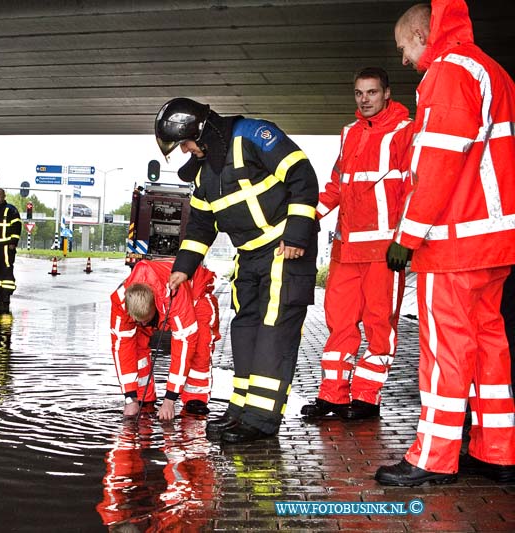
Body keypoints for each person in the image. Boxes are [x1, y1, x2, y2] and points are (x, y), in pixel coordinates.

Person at [376, 0, 515, 486]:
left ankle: (432, 459)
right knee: (489, 347)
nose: (404, 59)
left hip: (454, 245)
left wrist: (407, 236)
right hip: (493, 243)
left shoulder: (447, 71)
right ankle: (498, 451)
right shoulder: (493, 71)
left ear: (421, 33)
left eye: (403, 47)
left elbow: (437, 162)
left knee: (447, 351)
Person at [156, 97, 320, 443]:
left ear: (198, 132)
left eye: (184, 142)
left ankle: (261, 420)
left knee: (274, 330)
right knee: (244, 330)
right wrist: (182, 269)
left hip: (284, 248)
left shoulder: (251, 136)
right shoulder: (205, 170)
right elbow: (200, 226)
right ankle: (241, 409)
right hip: (248, 255)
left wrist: (296, 235)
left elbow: (301, 174)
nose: (185, 150)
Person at [300, 67, 413, 421]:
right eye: (359, 93)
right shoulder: (348, 133)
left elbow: (414, 187)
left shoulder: (406, 131)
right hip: (346, 251)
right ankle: (332, 397)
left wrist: (405, 238)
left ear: (387, 93)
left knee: (380, 325)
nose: (364, 100)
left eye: (372, 93)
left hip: (384, 252)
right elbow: (337, 185)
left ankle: (366, 399)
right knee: (340, 324)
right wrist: (306, 219)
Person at [110, 259, 220, 421]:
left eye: (146, 320)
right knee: (135, 348)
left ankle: (194, 404)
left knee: (198, 346)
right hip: (157, 303)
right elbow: (122, 349)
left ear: (155, 305)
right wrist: (129, 397)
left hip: (195, 292)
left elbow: (183, 347)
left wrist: (169, 400)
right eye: (139, 321)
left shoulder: (174, 295)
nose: (143, 325)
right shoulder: (120, 303)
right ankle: (143, 400)